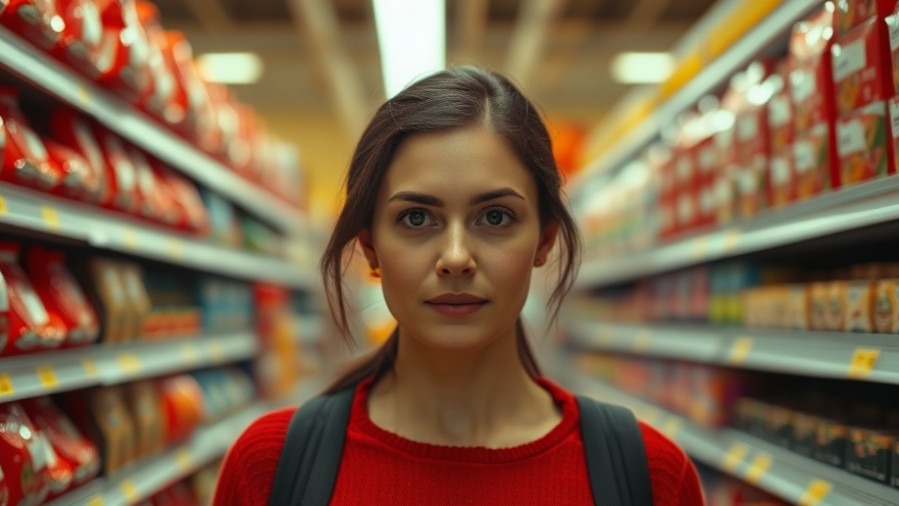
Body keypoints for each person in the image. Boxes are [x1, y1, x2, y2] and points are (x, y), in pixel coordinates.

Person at [213, 67, 703, 505]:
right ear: (370, 248)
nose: (455, 258)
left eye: (495, 216)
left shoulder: (650, 476)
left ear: (545, 241)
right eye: (416, 217)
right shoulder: (272, 467)